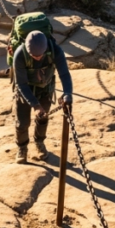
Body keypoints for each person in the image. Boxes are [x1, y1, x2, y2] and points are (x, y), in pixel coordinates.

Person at [12, 30, 73, 164]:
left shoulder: (55, 50)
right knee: (22, 123)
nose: (38, 58)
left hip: (45, 89)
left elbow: (64, 74)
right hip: (25, 91)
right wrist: (35, 105)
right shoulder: (20, 55)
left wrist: (67, 93)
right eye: (34, 55)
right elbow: (21, 84)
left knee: (43, 118)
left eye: (40, 55)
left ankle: (39, 142)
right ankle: (22, 148)